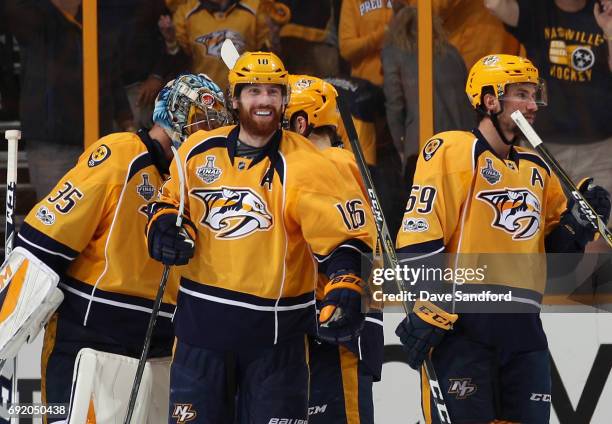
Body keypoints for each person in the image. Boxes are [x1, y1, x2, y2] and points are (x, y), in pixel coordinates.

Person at [145, 52, 375, 423]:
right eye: (253, 91)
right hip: (200, 338)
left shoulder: (308, 164)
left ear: (285, 100)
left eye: (273, 91)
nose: (264, 100)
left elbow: (344, 237)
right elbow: (170, 201)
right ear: (234, 99)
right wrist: (164, 226)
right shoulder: (195, 151)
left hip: (276, 346)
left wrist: (348, 282)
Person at [394, 54, 611, 423]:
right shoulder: (453, 149)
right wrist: (425, 302)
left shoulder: (538, 168)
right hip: (463, 329)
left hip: (524, 332)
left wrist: (582, 218)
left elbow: (558, 252)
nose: (532, 105)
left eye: (534, 95)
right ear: (490, 100)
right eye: (521, 95)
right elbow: (419, 235)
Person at [13, 73, 230, 422]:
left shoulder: (200, 181)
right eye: (201, 121)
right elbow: (47, 237)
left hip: (163, 344)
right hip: (91, 335)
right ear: (174, 114)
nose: (208, 134)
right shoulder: (121, 153)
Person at [284, 74, 383, 423]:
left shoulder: (331, 165)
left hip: (338, 333)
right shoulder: (343, 163)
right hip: (332, 326)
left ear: (300, 121)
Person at [485, 0, 612, 251]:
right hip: (542, 149)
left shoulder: (603, 13)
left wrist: (609, 30)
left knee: (597, 237)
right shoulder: (537, 11)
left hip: (599, 150)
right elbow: (494, 3)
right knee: (539, 232)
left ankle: (587, 291)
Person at [4, 0, 135, 199]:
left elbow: (110, 75)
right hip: (51, 145)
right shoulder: (33, 16)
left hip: (99, 143)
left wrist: (126, 119)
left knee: (98, 217)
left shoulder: (94, 18)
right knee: (54, 220)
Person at [382, 4, 473, 183]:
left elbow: (394, 104)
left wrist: (401, 148)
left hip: (422, 148)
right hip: (462, 145)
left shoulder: (393, 54)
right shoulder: (452, 53)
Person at [159, 0, 280, 91]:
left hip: (244, 94)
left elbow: (269, 59)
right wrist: (171, 40)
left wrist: (274, 38)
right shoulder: (185, 12)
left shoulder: (256, 8)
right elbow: (179, 61)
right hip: (202, 97)